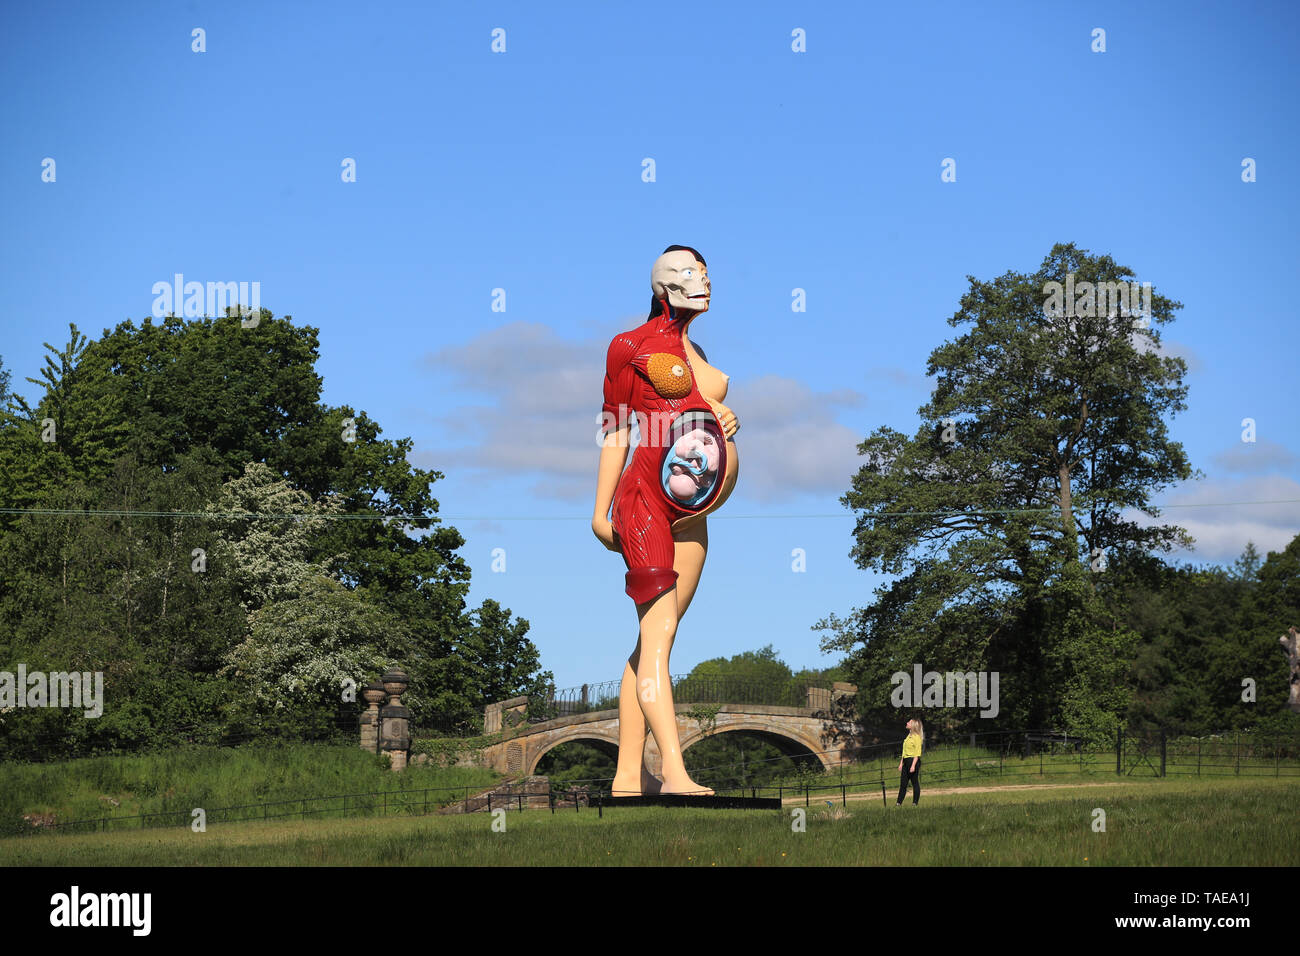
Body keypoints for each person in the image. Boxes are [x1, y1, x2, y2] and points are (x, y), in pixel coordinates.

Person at [591, 245, 740, 796]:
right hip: (645, 504)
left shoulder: (694, 348)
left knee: (654, 642)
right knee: (658, 640)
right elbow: (616, 430)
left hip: (693, 513)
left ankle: (628, 777)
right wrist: (599, 509)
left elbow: (695, 413)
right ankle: (675, 772)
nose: (701, 281)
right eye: (686, 274)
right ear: (662, 287)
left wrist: (724, 416)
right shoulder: (628, 347)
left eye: (704, 273)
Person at [896, 718, 924, 805]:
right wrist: (901, 763)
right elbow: (904, 752)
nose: (907, 723)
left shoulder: (917, 738)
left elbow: (917, 753)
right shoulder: (908, 737)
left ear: (913, 726)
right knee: (903, 783)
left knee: (914, 782)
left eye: (909, 722)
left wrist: (913, 765)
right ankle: (898, 803)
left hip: (913, 761)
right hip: (906, 761)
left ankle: (915, 803)